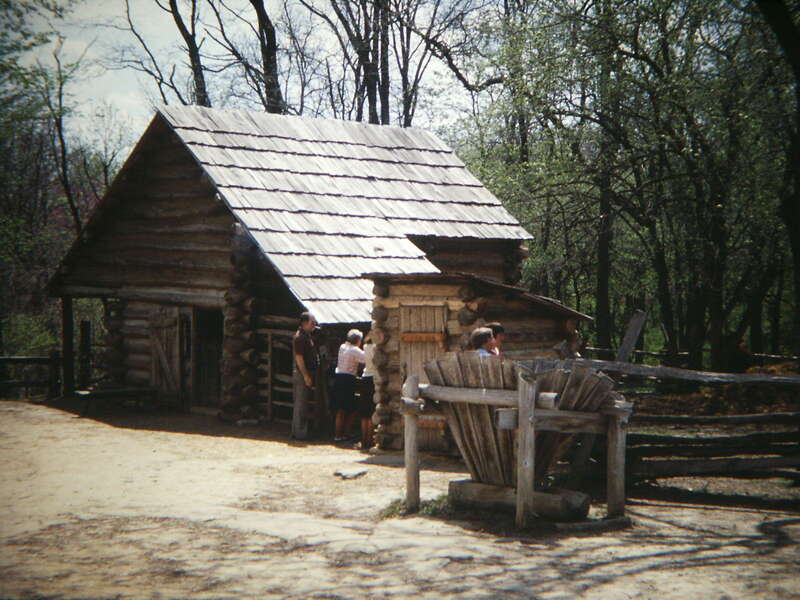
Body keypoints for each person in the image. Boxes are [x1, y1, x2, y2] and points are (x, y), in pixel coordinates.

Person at [332, 329, 366, 442]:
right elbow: (366, 358)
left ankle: (339, 434)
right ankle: (344, 433)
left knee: (341, 409)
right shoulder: (355, 350)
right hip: (348, 379)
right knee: (349, 408)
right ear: (358, 340)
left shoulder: (342, 347)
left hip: (339, 378)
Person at [292, 312, 319, 440]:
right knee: (301, 404)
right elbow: (299, 359)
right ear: (304, 323)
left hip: (307, 372)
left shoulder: (307, 336)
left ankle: (300, 431)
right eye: (312, 323)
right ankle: (300, 433)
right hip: (303, 373)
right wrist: (306, 376)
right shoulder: (299, 338)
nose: (314, 325)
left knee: (304, 403)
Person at [358, 333, 376, 451]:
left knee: (364, 412)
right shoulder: (376, 348)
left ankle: (364, 439)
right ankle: (370, 439)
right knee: (371, 411)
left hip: (365, 377)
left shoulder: (364, 347)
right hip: (373, 378)